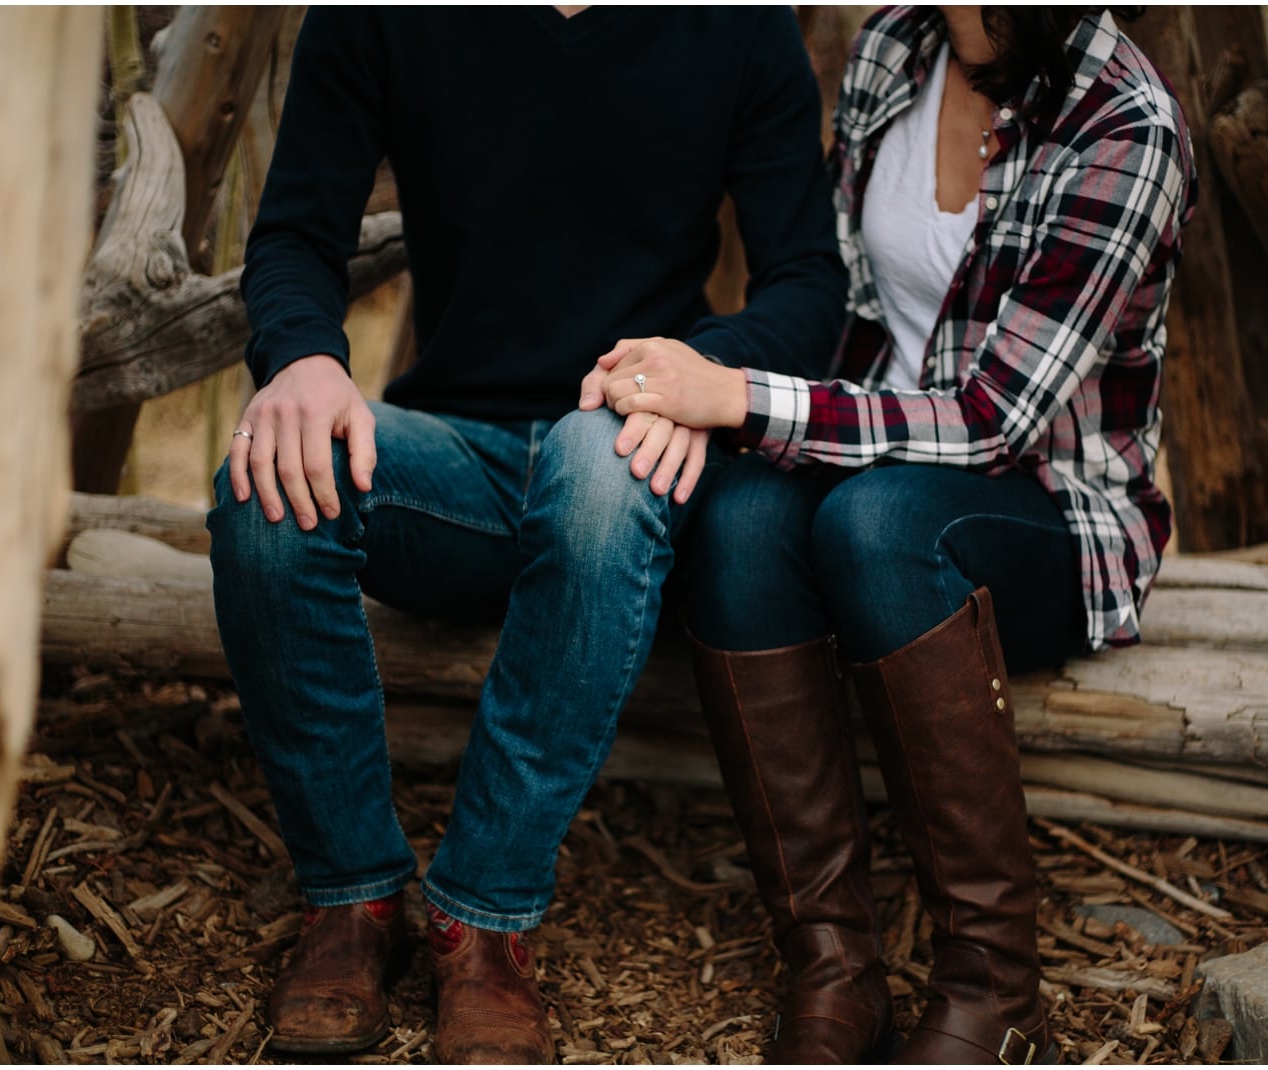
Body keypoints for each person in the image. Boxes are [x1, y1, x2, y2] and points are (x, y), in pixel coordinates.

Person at [205, 7, 844, 1063]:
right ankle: (352, 900)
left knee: (599, 463)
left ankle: (484, 917)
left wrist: (695, 374)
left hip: (626, 445)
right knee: (261, 485)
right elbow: (294, 236)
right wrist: (304, 357)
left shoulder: (738, 21)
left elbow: (806, 285)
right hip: (453, 455)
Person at [587, 5, 1195, 1063]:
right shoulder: (893, 51)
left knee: (876, 527)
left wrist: (736, 394)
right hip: (871, 464)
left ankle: (994, 988)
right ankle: (831, 962)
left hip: (1052, 509)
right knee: (733, 519)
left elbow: (992, 418)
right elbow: (843, 308)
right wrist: (681, 386)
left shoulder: (1125, 128)